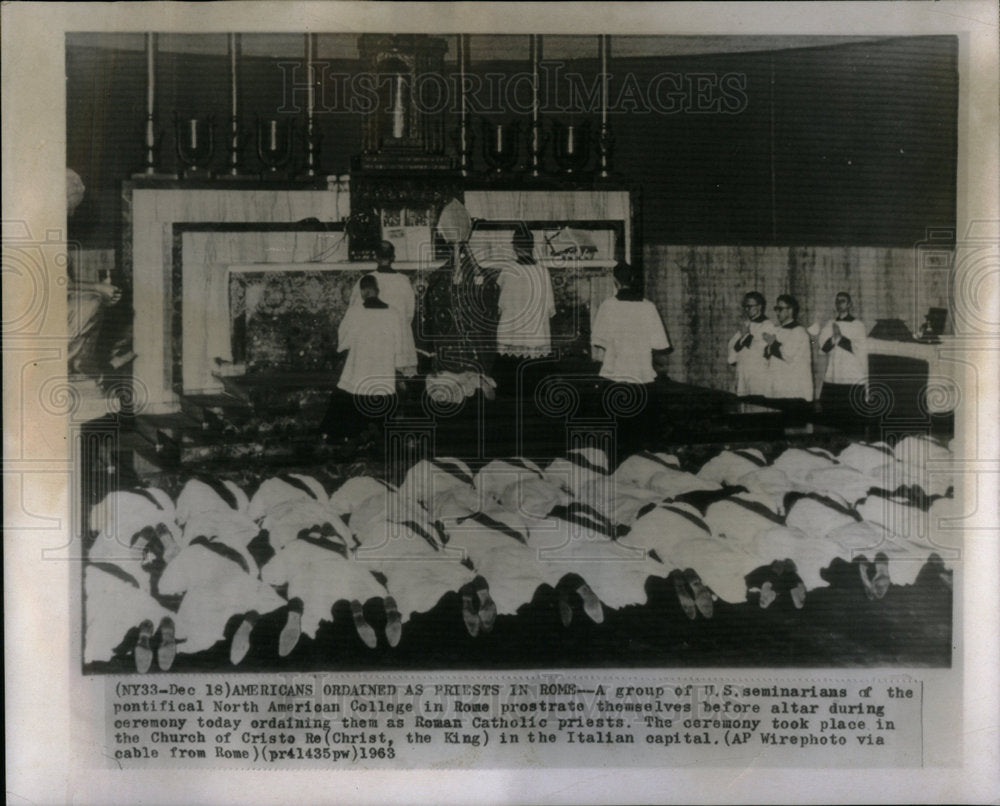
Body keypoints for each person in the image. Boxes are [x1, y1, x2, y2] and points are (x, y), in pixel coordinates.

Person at [590, 262, 671, 458]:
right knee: (640, 434)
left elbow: (598, 341)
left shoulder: (608, 306)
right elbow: (661, 345)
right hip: (641, 378)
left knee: (617, 434)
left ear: (615, 280)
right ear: (634, 280)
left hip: (615, 377)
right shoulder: (648, 307)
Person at [321, 275, 406, 443]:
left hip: (360, 368)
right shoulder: (394, 313)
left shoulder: (355, 312)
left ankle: (346, 435)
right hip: (383, 371)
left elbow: (344, 339)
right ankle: (382, 436)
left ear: (362, 292)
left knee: (348, 392)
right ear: (377, 290)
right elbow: (399, 345)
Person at [493, 229, 556, 396]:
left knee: (511, 387)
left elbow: (499, 306)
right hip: (536, 337)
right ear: (532, 246)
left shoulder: (508, 270)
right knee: (534, 387)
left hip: (512, 335)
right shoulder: (543, 271)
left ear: (514, 247)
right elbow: (550, 309)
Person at [349, 240, 417, 375]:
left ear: (375, 257)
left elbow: (354, 312)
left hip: (372, 342)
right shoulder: (403, 281)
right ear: (393, 257)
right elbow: (410, 313)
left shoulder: (365, 280)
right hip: (399, 340)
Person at [817, 291, 868, 426]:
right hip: (834, 373)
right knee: (831, 416)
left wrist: (840, 338)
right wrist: (834, 338)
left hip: (851, 374)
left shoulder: (858, 325)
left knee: (850, 417)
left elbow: (859, 349)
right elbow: (822, 349)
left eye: (843, 301)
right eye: (838, 301)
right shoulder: (830, 324)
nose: (840, 304)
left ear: (850, 304)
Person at [762, 294, 814, 411]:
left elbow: (787, 354)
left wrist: (772, 343)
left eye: (780, 309)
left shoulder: (799, 332)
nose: (777, 312)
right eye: (776, 309)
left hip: (793, 391)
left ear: (790, 310)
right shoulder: (777, 330)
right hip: (777, 388)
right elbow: (767, 354)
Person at [726, 291, 775, 399]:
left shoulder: (768, 326)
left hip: (758, 376)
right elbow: (732, 347)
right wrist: (744, 339)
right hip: (743, 373)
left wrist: (745, 336)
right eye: (745, 306)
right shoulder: (746, 324)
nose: (747, 309)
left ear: (760, 306)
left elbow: (760, 350)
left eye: (750, 306)